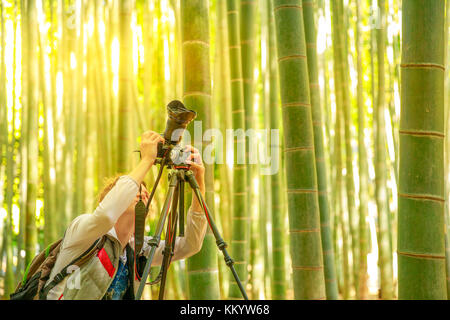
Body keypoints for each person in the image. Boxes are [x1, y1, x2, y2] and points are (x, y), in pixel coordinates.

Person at [45, 131, 208, 300]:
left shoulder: (137, 249)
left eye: (145, 191)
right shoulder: (85, 230)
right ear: (113, 198)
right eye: (136, 189)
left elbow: (190, 245)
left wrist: (199, 183)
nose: (144, 192)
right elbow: (106, 216)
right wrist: (147, 160)